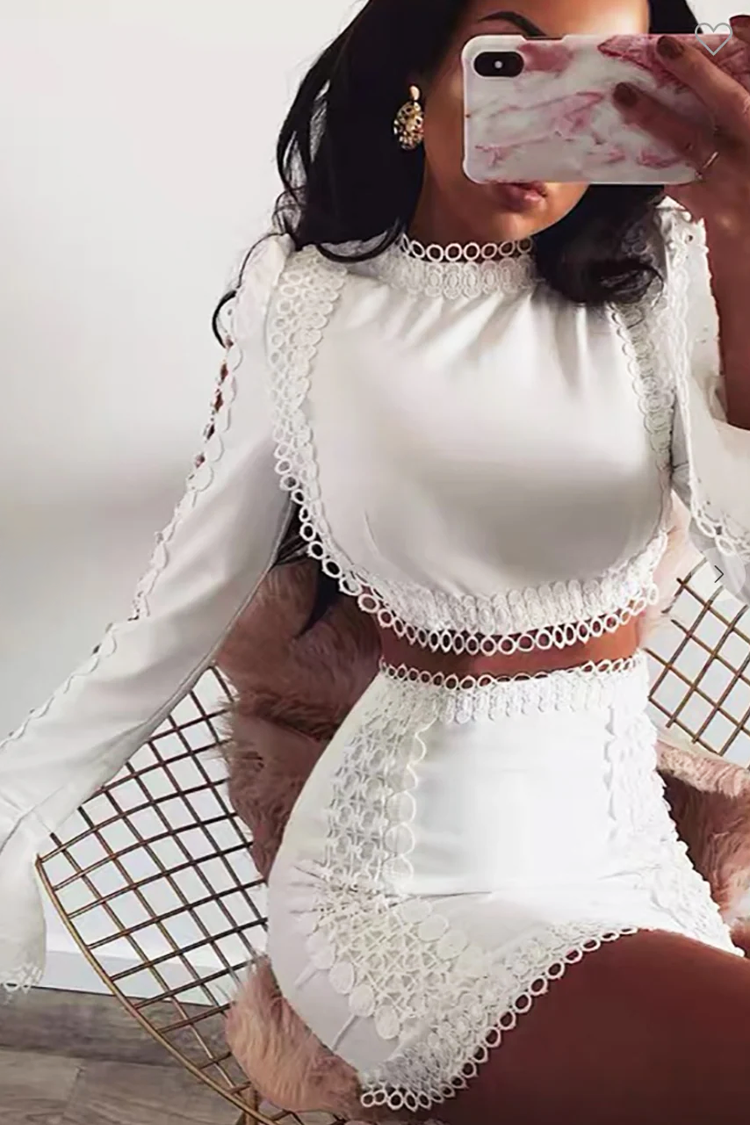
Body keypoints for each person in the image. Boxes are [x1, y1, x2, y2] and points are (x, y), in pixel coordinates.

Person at [2, 0, 750, 1121]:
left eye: (608, 75)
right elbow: (178, 607)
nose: (553, 117)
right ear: (418, 74)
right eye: (512, 59)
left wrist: (743, 237)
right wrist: (12, 807)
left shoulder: (665, 281)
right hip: (399, 888)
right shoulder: (303, 298)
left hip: (628, 862)